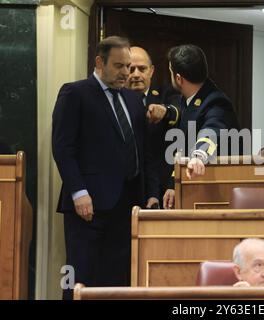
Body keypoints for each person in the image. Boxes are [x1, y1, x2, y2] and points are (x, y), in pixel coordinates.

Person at [52, 36, 157, 299]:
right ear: (100, 62)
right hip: (88, 206)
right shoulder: (75, 93)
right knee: (80, 276)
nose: (127, 73)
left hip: (127, 205)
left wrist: (151, 193)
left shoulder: (133, 100)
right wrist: (78, 192)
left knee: (117, 278)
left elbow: (144, 152)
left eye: (129, 66)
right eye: (119, 66)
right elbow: (63, 148)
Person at [148, 44, 241, 209]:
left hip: (213, 192)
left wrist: (199, 155)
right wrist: (173, 184)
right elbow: (182, 146)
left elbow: (213, 130)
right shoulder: (188, 98)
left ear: (178, 78)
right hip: (190, 185)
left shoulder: (216, 101)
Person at [125, 46, 180, 208]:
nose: (136, 74)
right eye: (130, 68)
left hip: (163, 190)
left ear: (151, 71)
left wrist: (165, 111)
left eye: (142, 69)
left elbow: (178, 110)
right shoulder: (116, 101)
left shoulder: (166, 94)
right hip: (127, 191)